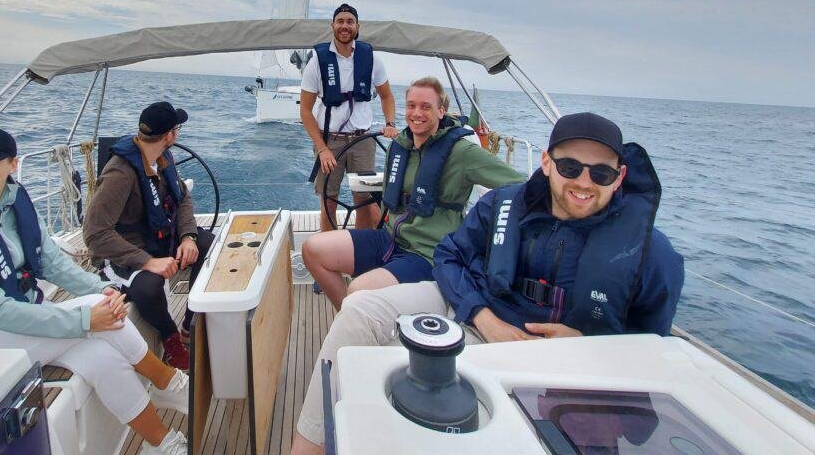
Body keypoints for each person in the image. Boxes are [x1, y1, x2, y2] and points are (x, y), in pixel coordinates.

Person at [290, 112, 685, 454]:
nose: (584, 182)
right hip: (473, 313)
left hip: (562, 368)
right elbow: (449, 255)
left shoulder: (651, 257)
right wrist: (482, 316)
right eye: (570, 168)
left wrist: (586, 348)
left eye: (601, 173)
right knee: (359, 307)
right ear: (546, 162)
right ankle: (309, 445)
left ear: (620, 178)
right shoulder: (502, 206)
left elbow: (652, 355)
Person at [0, 127, 189, 455]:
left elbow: (53, 264)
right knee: (95, 314)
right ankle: (169, 383)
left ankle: (161, 444)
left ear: (12, 164)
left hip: (14, 330)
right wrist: (85, 318)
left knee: (102, 356)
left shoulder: (13, 203)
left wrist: (104, 289)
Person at [302, 77, 524, 310]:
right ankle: (352, 319)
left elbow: (518, 184)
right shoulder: (400, 145)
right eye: (411, 105)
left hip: (428, 252)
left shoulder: (463, 152)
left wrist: (482, 223)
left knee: (358, 291)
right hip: (390, 238)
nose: (417, 113)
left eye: (426, 106)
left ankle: (358, 321)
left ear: (441, 111)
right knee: (313, 250)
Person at [83, 101, 214, 372]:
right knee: (148, 287)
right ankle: (171, 337)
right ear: (170, 135)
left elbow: (183, 199)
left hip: (161, 237)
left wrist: (188, 236)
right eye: (176, 129)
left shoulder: (164, 159)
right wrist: (145, 260)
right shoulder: (120, 173)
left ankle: (190, 323)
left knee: (207, 245)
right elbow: (95, 234)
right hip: (125, 251)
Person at [300, 4, 398, 232]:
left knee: (364, 203)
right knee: (328, 203)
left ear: (357, 27)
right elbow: (305, 110)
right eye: (340, 21)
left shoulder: (371, 58)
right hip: (330, 143)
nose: (345, 26)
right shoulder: (317, 61)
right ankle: (329, 254)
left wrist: (390, 123)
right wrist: (322, 148)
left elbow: (387, 96)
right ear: (333, 26)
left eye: (350, 21)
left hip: (363, 142)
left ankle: (360, 253)